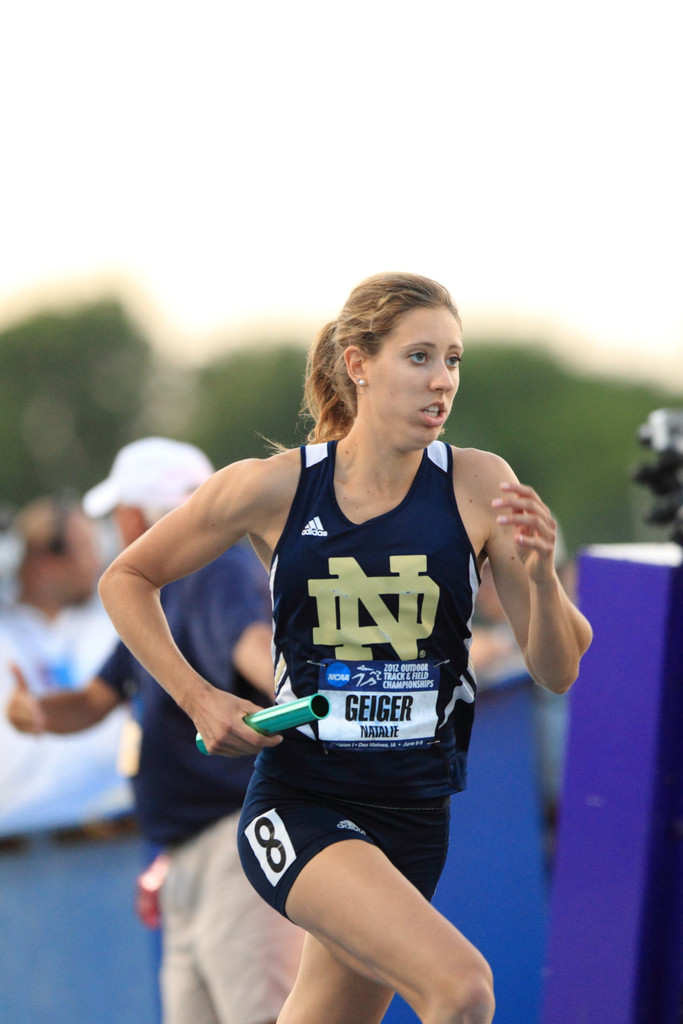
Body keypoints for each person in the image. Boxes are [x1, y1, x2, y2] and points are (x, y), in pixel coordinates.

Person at [92, 275, 593, 1024]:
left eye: (453, 360)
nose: (441, 380)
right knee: (461, 989)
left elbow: (557, 669)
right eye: (419, 356)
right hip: (302, 803)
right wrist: (199, 694)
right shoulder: (274, 488)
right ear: (358, 364)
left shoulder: (480, 483)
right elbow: (125, 578)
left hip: (416, 814)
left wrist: (538, 575)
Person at [7, 438, 303, 1024]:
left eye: (119, 514)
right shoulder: (161, 590)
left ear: (137, 514)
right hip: (195, 855)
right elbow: (95, 700)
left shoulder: (215, 566)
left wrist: (299, 689)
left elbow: (253, 645)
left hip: (237, 844)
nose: (117, 529)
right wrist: (34, 712)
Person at [0, 493, 131, 836]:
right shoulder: (5, 628)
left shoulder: (113, 619)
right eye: (85, 549)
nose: (96, 562)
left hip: (114, 829)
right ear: (45, 561)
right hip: (17, 839)